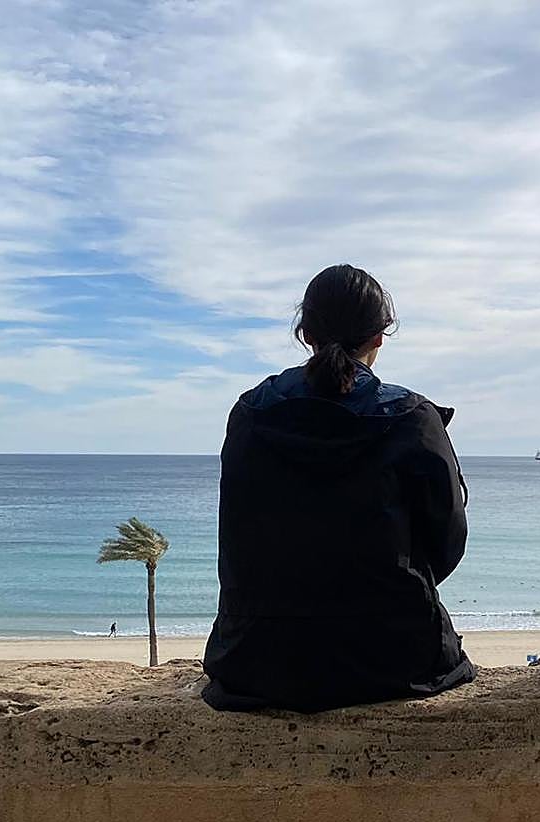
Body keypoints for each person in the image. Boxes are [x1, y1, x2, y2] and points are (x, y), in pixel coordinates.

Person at [202, 265, 474, 712]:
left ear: (305, 332)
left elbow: (238, 535)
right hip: (397, 657)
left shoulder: (250, 414)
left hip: (256, 661)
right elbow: (447, 542)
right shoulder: (411, 419)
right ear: (379, 338)